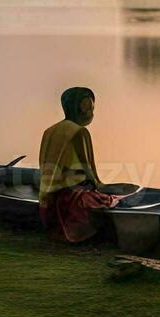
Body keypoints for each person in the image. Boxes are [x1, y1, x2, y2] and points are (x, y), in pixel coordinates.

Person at [38, 87, 120, 242]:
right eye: (87, 108)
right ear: (78, 110)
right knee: (112, 199)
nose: (91, 113)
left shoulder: (49, 131)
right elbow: (87, 168)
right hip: (69, 198)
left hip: (46, 198)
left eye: (92, 108)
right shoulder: (79, 132)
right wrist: (100, 187)